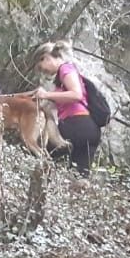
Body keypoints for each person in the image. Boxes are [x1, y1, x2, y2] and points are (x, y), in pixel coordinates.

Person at [32, 41, 101, 176]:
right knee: (80, 176)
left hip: (77, 125)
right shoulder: (66, 73)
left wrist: (46, 94)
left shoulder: (65, 69)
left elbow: (76, 94)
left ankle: (44, 188)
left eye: (41, 67)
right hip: (89, 130)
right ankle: (76, 193)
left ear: (47, 57)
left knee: (41, 149)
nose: (43, 71)